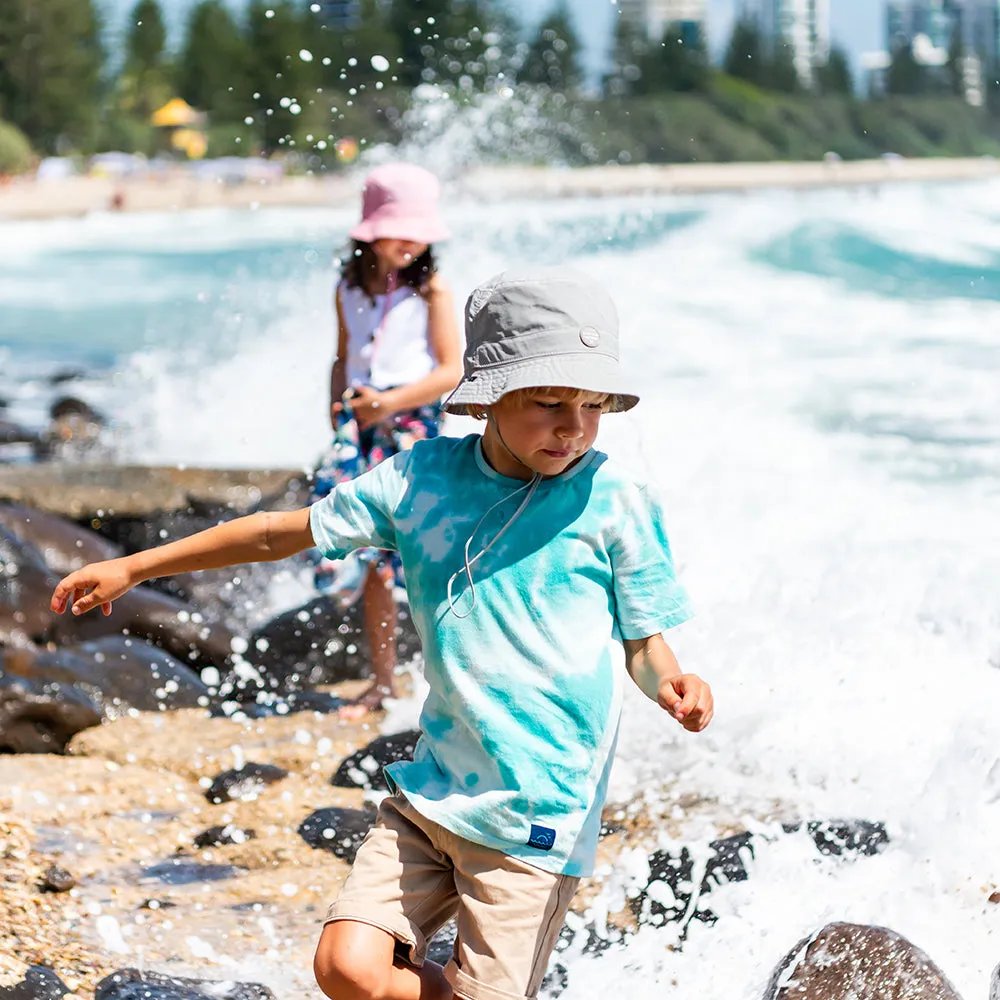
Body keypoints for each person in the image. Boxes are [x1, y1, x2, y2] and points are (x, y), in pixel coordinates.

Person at [50, 267, 714, 1000]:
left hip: (539, 813)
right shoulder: (420, 480)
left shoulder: (614, 498)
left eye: (593, 406)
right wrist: (135, 568)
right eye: (550, 401)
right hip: (433, 794)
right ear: (490, 394)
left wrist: (674, 686)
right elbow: (280, 534)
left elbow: (644, 642)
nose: (574, 427)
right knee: (346, 968)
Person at [313, 161, 461, 716]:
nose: (412, 242)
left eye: (420, 232)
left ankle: (444, 684)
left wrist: (389, 404)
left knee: (421, 553)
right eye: (401, 230)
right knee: (370, 555)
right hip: (361, 427)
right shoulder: (347, 287)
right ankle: (382, 682)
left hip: (414, 429)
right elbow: (342, 353)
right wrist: (338, 409)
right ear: (371, 232)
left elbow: (451, 371)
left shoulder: (433, 289)